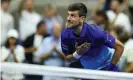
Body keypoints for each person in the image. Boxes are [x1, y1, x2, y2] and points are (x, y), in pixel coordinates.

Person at [61, 3, 124, 73]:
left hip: (108, 67)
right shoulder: (65, 35)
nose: (68, 19)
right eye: (68, 15)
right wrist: (78, 53)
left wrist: (109, 71)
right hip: (90, 71)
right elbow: (68, 59)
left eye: (72, 15)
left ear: (82, 18)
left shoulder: (96, 33)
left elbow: (120, 47)